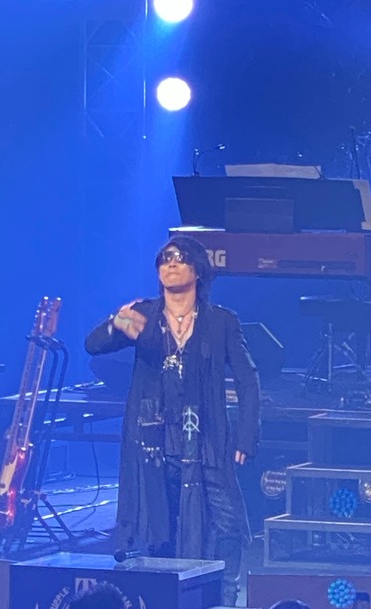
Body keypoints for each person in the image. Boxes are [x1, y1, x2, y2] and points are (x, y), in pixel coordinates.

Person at [85, 235, 260, 607]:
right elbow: (93, 345)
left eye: (180, 257)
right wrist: (116, 324)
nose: (171, 263)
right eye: (164, 258)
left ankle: (224, 598)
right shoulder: (143, 315)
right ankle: (164, 599)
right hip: (153, 442)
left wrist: (246, 436)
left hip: (206, 440)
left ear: (198, 270)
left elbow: (248, 379)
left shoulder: (221, 321)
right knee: (160, 525)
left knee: (227, 523)